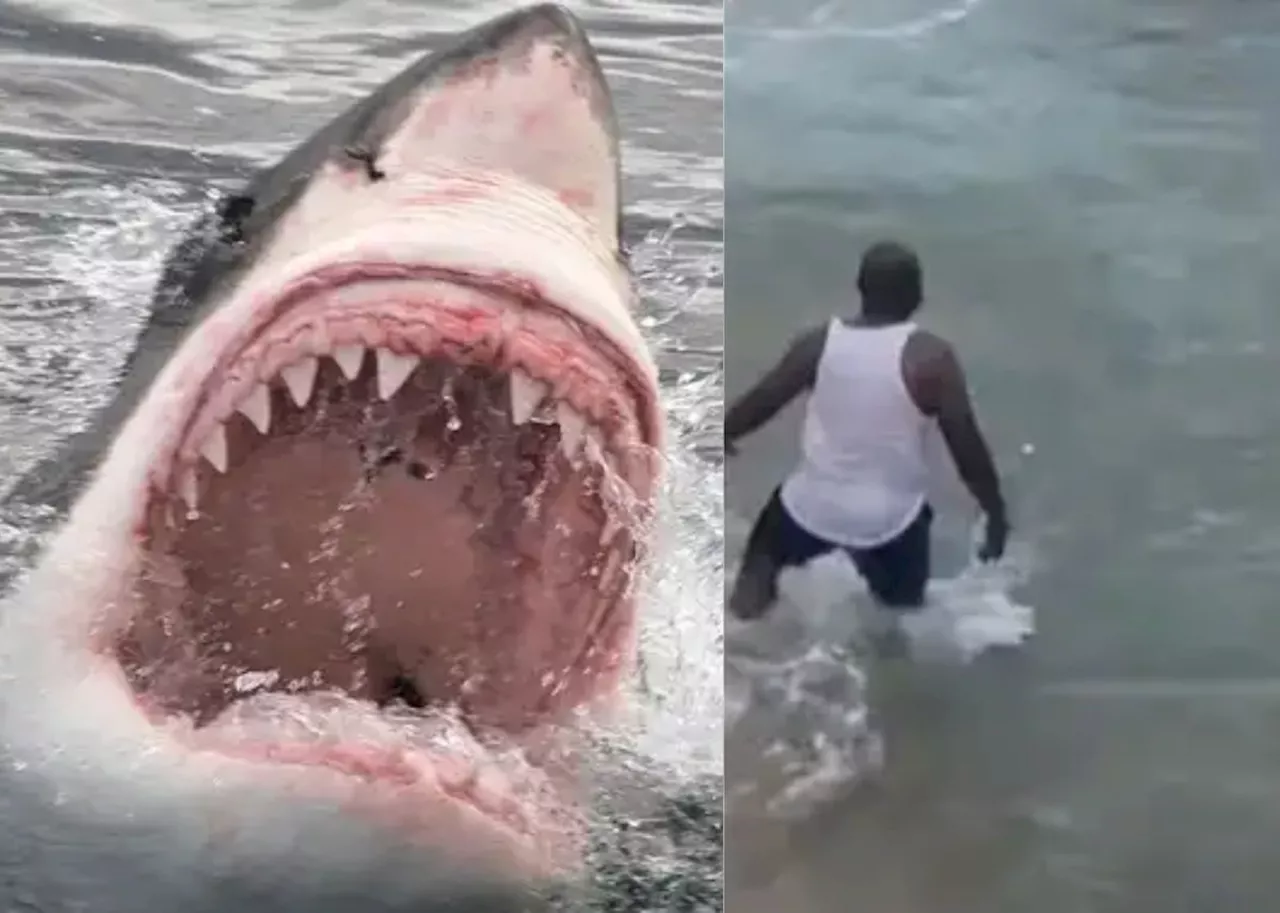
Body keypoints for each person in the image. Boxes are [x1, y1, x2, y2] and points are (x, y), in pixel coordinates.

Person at [725, 240, 1009, 621]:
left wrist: (723, 434)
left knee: (747, 602)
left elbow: (762, 402)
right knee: (900, 624)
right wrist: (994, 513)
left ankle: (729, 661)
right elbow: (966, 447)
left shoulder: (818, 344)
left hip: (811, 510)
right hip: (891, 522)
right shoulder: (931, 359)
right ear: (918, 296)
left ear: (860, 288)